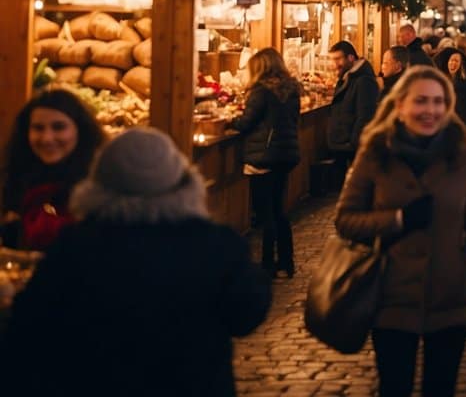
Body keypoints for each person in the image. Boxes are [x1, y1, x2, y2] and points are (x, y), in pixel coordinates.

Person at [3, 127, 271, 396]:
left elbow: (32, 321)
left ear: (98, 184)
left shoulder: (74, 246)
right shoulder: (216, 244)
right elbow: (246, 314)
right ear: (182, 182)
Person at [335, 66, 466, 397]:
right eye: (421, 101)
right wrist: (397, 220)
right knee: (395, 387)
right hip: (391, 294)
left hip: (449, 294)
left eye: (439, 102)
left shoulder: (462, 154)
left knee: (441, 388)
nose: (430, 110)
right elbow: (346, 219)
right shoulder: (376, 153)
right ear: (400, 106)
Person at [229, 47, 301, 278]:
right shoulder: (291, 91)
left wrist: (232, 120)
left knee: (265, 214)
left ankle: (268, 264)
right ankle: (286, 262)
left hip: (264, 156)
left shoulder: (261, 92)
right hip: (285, 155)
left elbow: (246, 123)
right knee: (279, 210)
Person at [1, 89, 104, 250]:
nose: (47, 138)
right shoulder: (15, 176)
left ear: (79, 130)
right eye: (38, 128)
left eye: (59, 127)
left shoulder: (100, 185)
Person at [327, 40, 381, 179]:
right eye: (332, 59)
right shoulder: (348, 77)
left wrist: (353, 143)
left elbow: (365, 115)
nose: (334, 64)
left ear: (351, 58)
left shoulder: (364, 81)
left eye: (338, 59)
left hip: (350, 147)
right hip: (344, 145)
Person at [437, 47, 466, 132]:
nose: (453, 63)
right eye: (451, 60)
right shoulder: (441, 79)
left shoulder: (465, 80)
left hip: (459, 119)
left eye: (456, 61)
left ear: (461, 64)